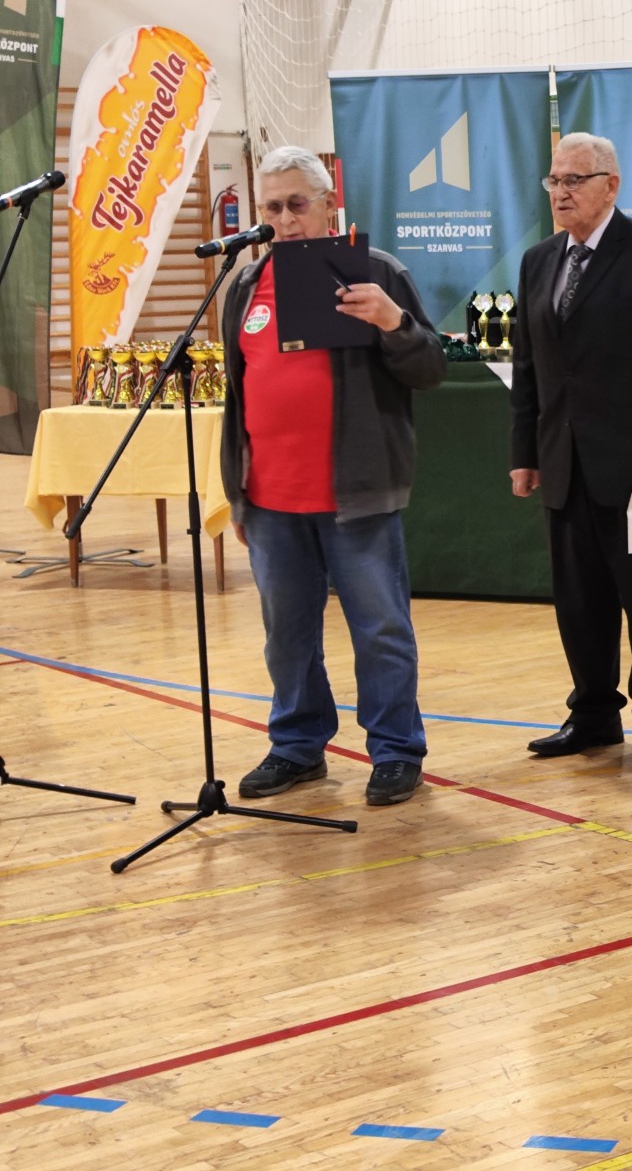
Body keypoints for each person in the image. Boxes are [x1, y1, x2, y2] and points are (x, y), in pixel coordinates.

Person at [226, 145, 446, 807]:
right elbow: (236, 398)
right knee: (286, 635)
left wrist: (393, 323)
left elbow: (430, 368)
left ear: (328, 204)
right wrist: (237, 490)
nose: (285, 219)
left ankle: (396, 750)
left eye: (298, 203)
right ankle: (297, 746)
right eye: (272, 207)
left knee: (380, 630)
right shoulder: (244, 285)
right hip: (271, 498)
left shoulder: (376, 272)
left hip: (356, 494)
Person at [509, 132, 632, 768]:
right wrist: (524, 451)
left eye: (575, 180)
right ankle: (593, 715)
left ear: (611, 185)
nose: (561, 192)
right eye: (555, 180)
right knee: (578, 602)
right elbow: (530, 367)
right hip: (563, 462)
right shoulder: (539, 261)